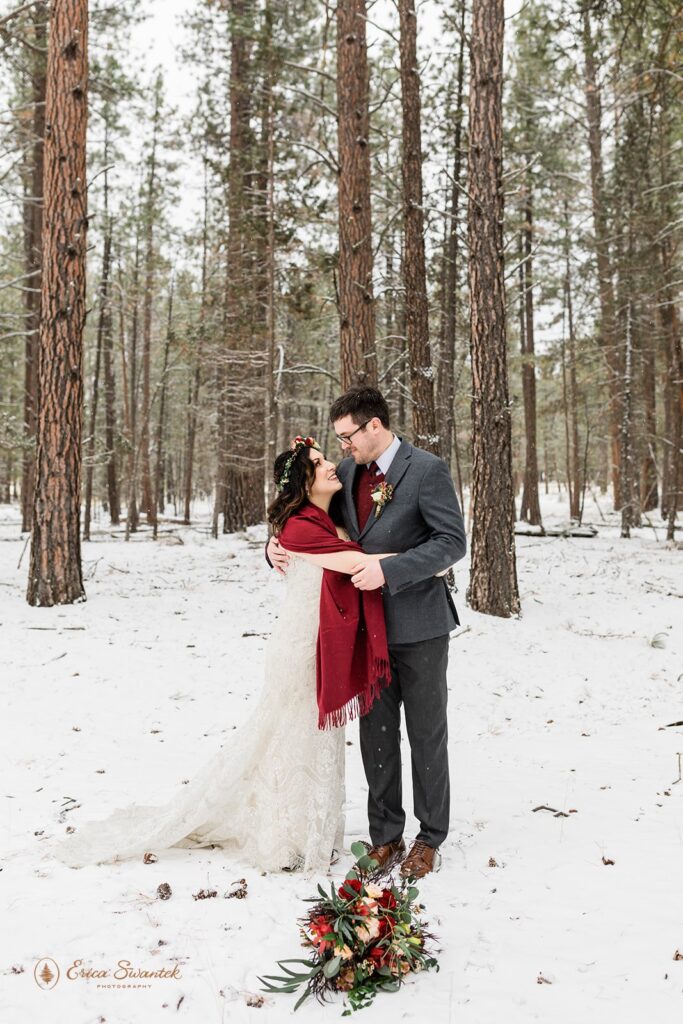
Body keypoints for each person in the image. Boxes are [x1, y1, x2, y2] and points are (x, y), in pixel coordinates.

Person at [45, 437, 395, 875]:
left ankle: (311, 831)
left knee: (312, 740)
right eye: (320, 462)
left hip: (320, 642)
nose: (332, 466)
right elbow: (355, 562)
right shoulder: (301, 527)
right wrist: (426, 560)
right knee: (290, 739)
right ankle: (284, 838)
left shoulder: (323, 517)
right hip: (300, 649)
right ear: (304, 482)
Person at [267, 387, 467, 880]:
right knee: (375, 734)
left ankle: (429, 837)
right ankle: (384, 836)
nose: (343, 447)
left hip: (419, 625)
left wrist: (391, 571)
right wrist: (271, 548)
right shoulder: (347, 475)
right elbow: (307, 523)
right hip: (362, 632)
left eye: (347, 435)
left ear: (373, 425)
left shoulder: (427, 470)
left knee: (426, 732)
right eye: (338, 439)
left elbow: (451, 542)